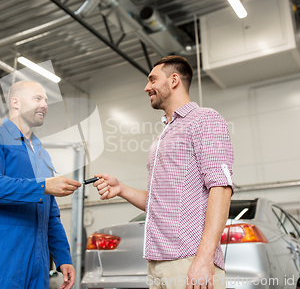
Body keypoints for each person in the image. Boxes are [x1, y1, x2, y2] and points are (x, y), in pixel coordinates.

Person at [94, 56, 234, 289]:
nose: (147, 87)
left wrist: (204, 258)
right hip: (158, 262)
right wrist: (122, 189)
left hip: (189, 259)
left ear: (174, 80)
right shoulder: (163, 137)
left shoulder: (204, 119)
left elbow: (220, 189)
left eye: (152, 80)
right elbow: (159, 203)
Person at [0, 81, 81, 289]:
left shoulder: (41, 154)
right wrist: (43, 186)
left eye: (46, 100)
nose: (45, 104)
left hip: (38, 264)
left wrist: (63, 257)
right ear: (15, 102)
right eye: (38, 98)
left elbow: (51, 214)